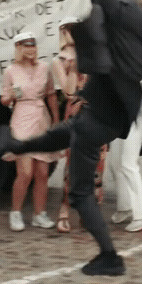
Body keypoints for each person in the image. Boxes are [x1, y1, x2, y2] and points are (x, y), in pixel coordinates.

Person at [0, 0, 142, 276]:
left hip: (98, 120)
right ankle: (16, 145)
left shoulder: (121, 24)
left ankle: (110, 257)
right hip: (106, 118)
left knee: (80, 189)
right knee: (62, 132)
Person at [50, 17, 107, 233]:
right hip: (76, 117)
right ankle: (64, 210)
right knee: (73, 166)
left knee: (98, 166)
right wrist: (74, 67)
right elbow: (69, 92)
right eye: (69, 29)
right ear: (62, 32)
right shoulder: (59, 61)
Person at [1, 32, 60, 232]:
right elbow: (4, 99)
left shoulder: (44, 68)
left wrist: (56, 121)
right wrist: (9, 96)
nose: (30, 49)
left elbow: (51, 94)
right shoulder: (10, 70)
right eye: (26, 46)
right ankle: (15, 213)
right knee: (25, 172)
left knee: (42, 172)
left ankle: (39, 214)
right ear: (18, 48)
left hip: (41, 119)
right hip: (21, 118)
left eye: (33, 46)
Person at [107, 84, 142, 232]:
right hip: (120, 118)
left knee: (128, 165)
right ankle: (125, 207)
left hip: (136, 117)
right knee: (115, 164)